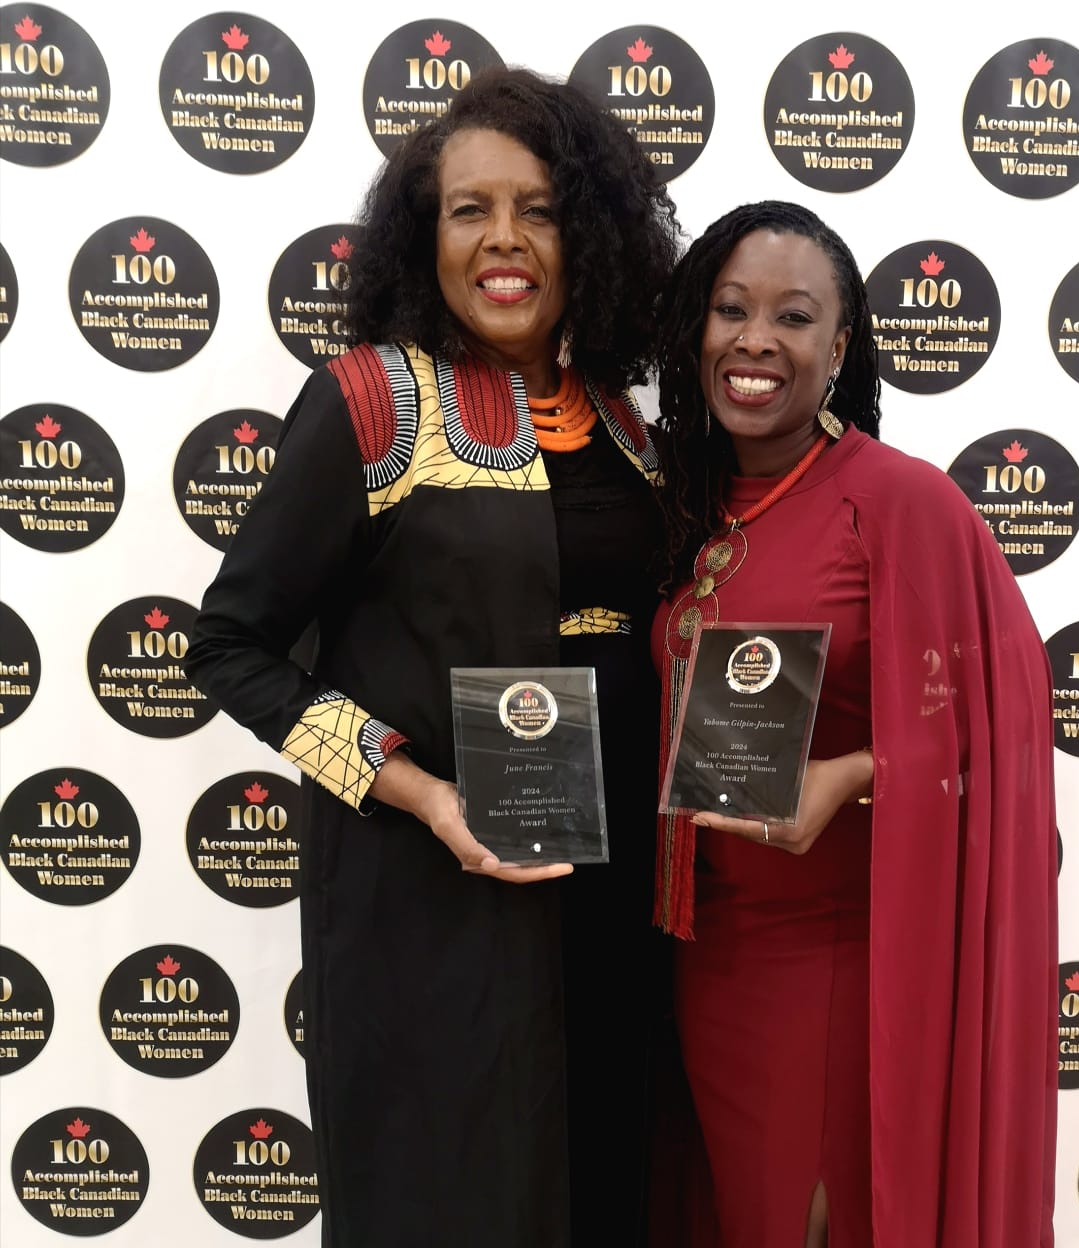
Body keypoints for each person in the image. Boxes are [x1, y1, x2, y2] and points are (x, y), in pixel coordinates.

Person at [186, 69, 679, 1248]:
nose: (505, 241)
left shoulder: (625, 425)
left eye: (541, 209)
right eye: (470, 209)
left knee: (607, 1182)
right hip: (429, 902)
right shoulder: (368, 402)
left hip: (609, 906)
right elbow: (231, 645)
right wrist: (424, 793)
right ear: (425, 234)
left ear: (590, 237)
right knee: (449, 1191)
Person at [650, 202, 1058, 1248]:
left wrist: (855, 775)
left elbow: (1001, 728)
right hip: (704, 957)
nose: (754, 342)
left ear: (840, 347)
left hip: (829, 960)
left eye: (793, 317)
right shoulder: (687, 500)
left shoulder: (898, 501)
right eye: (731, 310)